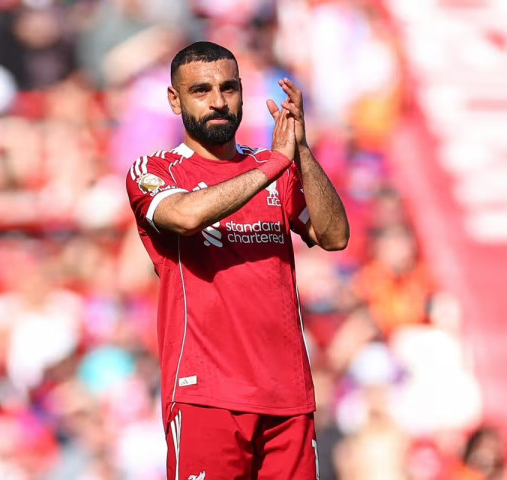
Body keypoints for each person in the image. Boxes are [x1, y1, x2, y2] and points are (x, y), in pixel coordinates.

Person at [125, 41, 349, 479]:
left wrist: (301, 151)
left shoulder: (274, 167)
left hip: (288, 397)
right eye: (201, 90)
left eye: (228, 88)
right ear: (175, 100)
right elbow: (185, 215)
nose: (217, 102)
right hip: (207, 394)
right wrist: (275, 165)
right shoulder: (156, 170)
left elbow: (334, 235)